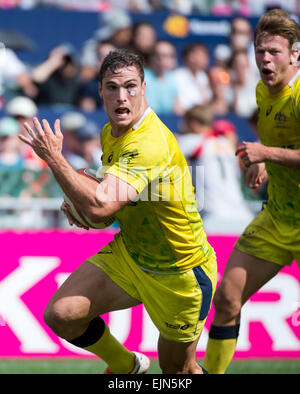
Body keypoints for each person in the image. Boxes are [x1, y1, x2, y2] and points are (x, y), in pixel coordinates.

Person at [18, 49, 217, 374]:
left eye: (130, 87)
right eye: (112, 87)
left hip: (179, 270)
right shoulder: (110, 134)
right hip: (132, 253)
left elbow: (101, 207)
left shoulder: (149, 142)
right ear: (99, 90)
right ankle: (127, 367)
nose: (121, 97)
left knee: (178, 374)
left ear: (143, 88)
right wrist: (81, 200)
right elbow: (108, 201)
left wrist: (54, 157)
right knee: (62, 313)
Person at [204, 9, 300, 374]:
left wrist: (267, 154)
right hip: (277, 218)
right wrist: (262, 161)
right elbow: (278, 139)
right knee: (226, 297)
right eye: (260, 51)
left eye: (274, 51)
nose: (265, 59)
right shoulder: (262, 89)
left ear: (294, 55)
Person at [177, 105, 254, 234]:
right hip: (242, 216)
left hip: (213, 218)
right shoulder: (225, 143)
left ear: (193, 124)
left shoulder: (191, 141)